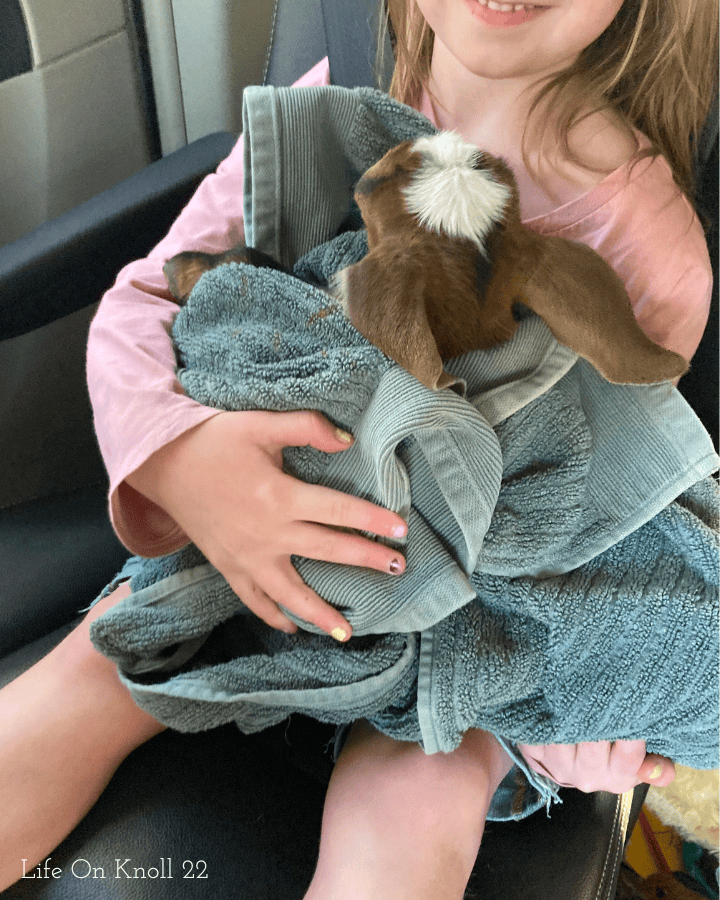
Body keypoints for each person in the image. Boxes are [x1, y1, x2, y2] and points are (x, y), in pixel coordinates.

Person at [0, 0, 715, 895]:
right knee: (95, 673)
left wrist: (585, 734)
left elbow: (616, 523)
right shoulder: (329, 112)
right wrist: (186, 461)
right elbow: (147, 302)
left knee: (417, 799)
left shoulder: (652, 248)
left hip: (472, 625)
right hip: (258, 550)